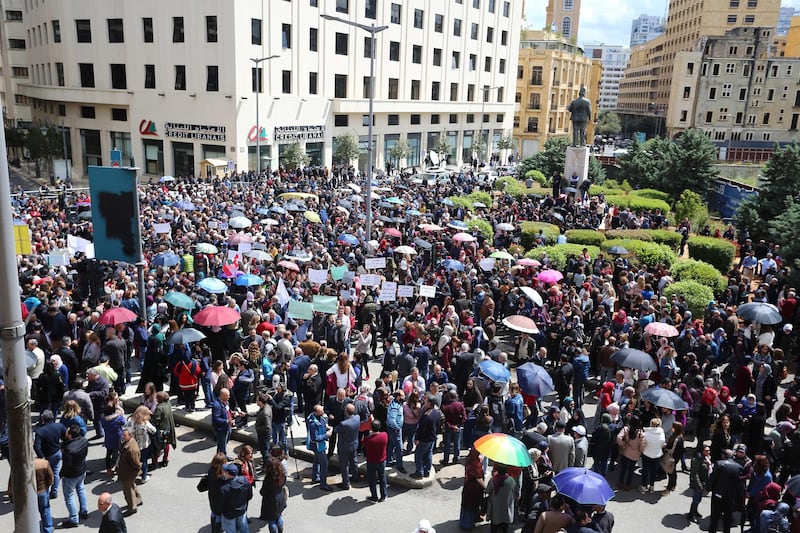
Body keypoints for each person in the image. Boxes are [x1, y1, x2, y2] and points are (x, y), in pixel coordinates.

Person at [59, 424, 90, 528]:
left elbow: (66, 465)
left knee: (69, 496)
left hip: (71, 475)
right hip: (81, 470)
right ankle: (84, 511)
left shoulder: (69, 449)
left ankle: (73, 519)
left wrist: (61, 474)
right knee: (81, 489)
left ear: (71, 435)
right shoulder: (84, 441)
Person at [707, 449, 744, 533]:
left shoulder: (719, 464)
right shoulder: (738, 467)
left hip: (718, 494)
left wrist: (708, 488)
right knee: (727, 518)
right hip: (730, 496)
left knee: (715, 517)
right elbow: (739, 483)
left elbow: (713, 478)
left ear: (723, 456)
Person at [34, 409, 65, 499]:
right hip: (57, 453)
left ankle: (46, 493)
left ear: (43, 418)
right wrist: (63, 447)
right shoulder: (59, 426)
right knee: (55, 472)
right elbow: (66, 436)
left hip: (46, 456)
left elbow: (37, 446)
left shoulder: (40, 431)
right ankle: (54, 491)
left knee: (44, 475)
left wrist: (41, 457)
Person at [123, 405, 156, 484]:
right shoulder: (145, 423)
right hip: (144, 446)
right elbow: (153, 431)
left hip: (133, 445)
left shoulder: (130, 420)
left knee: (134, 461)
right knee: (143, 461)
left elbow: (125, 428)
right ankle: (144, 477)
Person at [411, 393, 441, 479]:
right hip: (432, 437)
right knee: (428, 453)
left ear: (430, 403)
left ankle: (419, 472)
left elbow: (421, 429)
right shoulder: (436, 412)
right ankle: (427, 470)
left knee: (418, 455)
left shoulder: (426, 416)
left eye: (426, 401)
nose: (424, 401)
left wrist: (417, 438)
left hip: (424, 439)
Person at [259, 446, 287, 533]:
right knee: (278, 517)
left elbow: (263, 491)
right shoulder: (282, 475)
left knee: (271, 520)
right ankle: (280, 529)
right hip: (280, 498)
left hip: (271, 502)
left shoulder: (269, 479)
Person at [306, 403, 333, 491]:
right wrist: (326, 435)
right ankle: (323, 484)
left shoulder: (320, 419)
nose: (323, 412)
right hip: (318, 446)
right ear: (316, 412)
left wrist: (326, 428)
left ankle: (315, 477)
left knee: (317, 461)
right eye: (321, 411)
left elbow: (322, 426)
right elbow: (315, 438)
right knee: (324, 464)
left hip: (319, 445)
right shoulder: (313, 424)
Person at [486, 463, 520, 533]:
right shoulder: (511, 480)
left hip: (495, 507)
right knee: (505, 526)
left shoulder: (493, 480)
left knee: (494, 526)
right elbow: (515, 491)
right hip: (506, 507)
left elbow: (487, 491)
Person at [219, 463, 253, 533]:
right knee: (244, 528)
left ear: (228, 473)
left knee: (230, 530)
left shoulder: (224, 488)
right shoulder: (245, 481)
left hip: (229, 514)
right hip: (242, 510)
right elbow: (249, 495)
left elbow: (220, 503)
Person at [335, 402, 361, 488]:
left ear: (346, 412)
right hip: (354, 444)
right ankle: (355, 477)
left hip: (344, 447)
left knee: (344, 465)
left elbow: (336, 430)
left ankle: (345, 483)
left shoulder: (344, 424)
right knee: (354, 461)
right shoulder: (357, 418)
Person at [117, 428, 142, 515]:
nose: (122, 437)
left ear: (130, 436)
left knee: (128, 491)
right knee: (132, 486)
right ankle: (138, 499)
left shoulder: (131, 449)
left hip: (128, 473)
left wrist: (138, 468)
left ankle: (132, 507)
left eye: (125, 435)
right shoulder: (128, 443)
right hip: (127, 472)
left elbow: (136, 463)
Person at [460, 447, 486, 529]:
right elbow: (478, 478)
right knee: (472, 505)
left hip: (468, 487)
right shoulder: (476, 464)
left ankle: (469, 521)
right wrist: (486, 487)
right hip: (474, 489)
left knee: (468, 505)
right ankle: (467, 524)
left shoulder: (470, 459)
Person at [362, 419, 388, 502]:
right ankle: (383, 495)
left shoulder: (368, 440)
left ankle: (374, 496)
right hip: (382, 461)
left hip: (371, 462)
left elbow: (363, 444)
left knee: (372, 480)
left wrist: (369, 435)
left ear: (371, 429)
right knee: (382, 478)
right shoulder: (384, 435)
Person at [640, 417, 665, 494]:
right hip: (657, 455)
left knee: (645, 470)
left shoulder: (646, 433)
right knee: (653, 471)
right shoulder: (662, 434)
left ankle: (643, 486)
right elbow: (662, 444)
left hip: (646, 454)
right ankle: (652, 487)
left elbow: (643, 443)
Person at [441, 390, 466, 466]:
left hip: (448, 428)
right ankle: (456, 459)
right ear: (456, 396)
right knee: (456, 443)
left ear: (448, 397)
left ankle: (446, 460)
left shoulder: (445, 407)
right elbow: (464, 417)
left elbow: (444, 419)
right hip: (457, 427)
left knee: (447, 444)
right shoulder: (460, 405)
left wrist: (450, 425)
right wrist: (458, 425)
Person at [151, 391, 176, 468]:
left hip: (161, 430)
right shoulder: (168, 404)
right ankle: (165, 460)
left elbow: (156, 420)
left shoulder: (159, 408)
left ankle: (154, 462)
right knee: (166, 445)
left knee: (157, 446)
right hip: (168, 429)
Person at [386, 389, 405, 472]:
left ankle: (389, 460)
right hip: (395, 429)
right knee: (399, 448)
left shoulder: (397, 403)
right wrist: (397, 428)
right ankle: (399, 465)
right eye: (402, 395)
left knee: (391, 444)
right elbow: (392, 419)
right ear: (397, 397)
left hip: (393, 428)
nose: (403, 397)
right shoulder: (394, 406)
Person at [212, 388, 236, 456]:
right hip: (221, 429)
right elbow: (216, 419)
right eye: (227, 396)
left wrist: (232, 413)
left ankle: (223, 456)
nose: (229, 397)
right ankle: (220, 461)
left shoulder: (226, 402)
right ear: (222, 395)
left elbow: (227, 410)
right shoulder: (216, 405)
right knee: (221, 445)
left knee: (224, 444)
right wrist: (227, 421)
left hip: (228, 427)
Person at [34, 456, 55, 533]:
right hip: (42, 490)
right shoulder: (44, 463)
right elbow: (51, 477)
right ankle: (48, 529)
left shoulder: (22, 465)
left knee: (31, 512)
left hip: (30, 493)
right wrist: (47, 486)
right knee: (45, 509)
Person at [255, 392, 274, 464]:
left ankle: (266, 467)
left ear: (260, 402)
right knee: (263, 450)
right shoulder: (265, 407)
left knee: (265, 451)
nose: (256, 402)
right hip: (262, 434)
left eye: (257, 400)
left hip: (264, 435)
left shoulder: (265, 412)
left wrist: (258, 428)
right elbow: (257, 413)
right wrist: (246, 414)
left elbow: (268, 427)